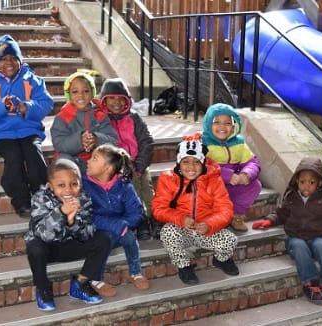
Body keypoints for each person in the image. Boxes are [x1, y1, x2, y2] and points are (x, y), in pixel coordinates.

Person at [252, 157, 322, 305]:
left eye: (312, 182)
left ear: (319, 182)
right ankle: (311, 283)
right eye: (302, 182)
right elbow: (281, 213)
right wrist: (269, 220)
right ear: (297, 181)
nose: (306, 186)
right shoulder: (292, 196)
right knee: (299, 246)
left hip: (317, 238)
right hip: (296, 238)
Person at [0, 34, 53, 218]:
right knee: (14, 156)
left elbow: (46, 102)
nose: (8, 62)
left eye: (13, 58)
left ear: (20, 60)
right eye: (3, 59)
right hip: (2, 133)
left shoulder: (32, 79)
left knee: (33, 153)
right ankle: (21, 200)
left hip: (29, 129)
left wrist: (28, 106)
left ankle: (41, 193)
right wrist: (2, 105)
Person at [151, 133, 239, 285]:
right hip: (181, 228)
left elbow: (225, 209)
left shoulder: (213, 179)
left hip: (206, 229)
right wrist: (180, 219)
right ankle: (184, 266)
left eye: (196, 162)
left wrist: (209, 225)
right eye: (186, 162)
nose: (191, 167)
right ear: (179, 162)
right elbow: (158, 208)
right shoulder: (168, 178)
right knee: (167, 233)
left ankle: (221, 260)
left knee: (230, 240)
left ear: (203, 163)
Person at [24, 158, 111, 311]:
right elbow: (43, 235)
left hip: (71, 245)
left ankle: (80, 283)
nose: (68, 190)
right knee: (34, 247)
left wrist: (73, 222)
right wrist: (62, 213)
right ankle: (43, 288)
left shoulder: (83, 198)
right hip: (49, 248)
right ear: (50, 186)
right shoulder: (40, 198)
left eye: (74, 184)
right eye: (61, 185)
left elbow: (88, 234)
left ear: (80, 184)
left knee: (103, 238)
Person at [82, 144, 150, 296]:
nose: (88, 161)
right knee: (103, 241)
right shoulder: (84, 185)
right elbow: (86, 215)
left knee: (129, 236)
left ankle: (136, 272)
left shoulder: (124, 186)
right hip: (95, 232)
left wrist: (124, 225)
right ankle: (95, 279)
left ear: (108, 168)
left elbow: (136, 212)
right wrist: (114, 224)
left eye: (95, 159)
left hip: (119, 230)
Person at [99, 77, 156, 240]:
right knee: (132, 185)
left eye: (120, 98)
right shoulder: (101, 120)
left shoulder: (134, 117)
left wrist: (139, 165)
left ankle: (155, 217)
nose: (116, 102)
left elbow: (147, 141)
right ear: (104, 100)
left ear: (127, 100)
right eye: (111, 98)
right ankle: (141, 219)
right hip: (118, 167)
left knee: (146, 185)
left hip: (138, 162)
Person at [201, 103, 262, 232]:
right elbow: (201, 167)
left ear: (234, 125)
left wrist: (246, 174)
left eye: (227, 123)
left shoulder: (238, 142)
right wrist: (227, 175)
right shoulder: (202, 142)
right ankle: (213, 218)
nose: (222, 127)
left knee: (255, 185)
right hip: (212, 187)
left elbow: (252, 162)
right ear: (208, 124)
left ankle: (235, 215)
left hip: (231, 187)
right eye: (216, 122)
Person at [50, 71, 118, 173]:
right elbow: (59, 144)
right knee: (62, 161)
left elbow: (112, 140)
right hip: (73, 158)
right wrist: (80, 141)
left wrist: (96, 139)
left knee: (110, 158)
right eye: (75, 92)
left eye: (86, 91)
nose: (80, 95)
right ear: (68, 95)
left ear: (92, 93)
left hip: (94, 159)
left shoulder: (100, 114)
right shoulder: (62, 117)